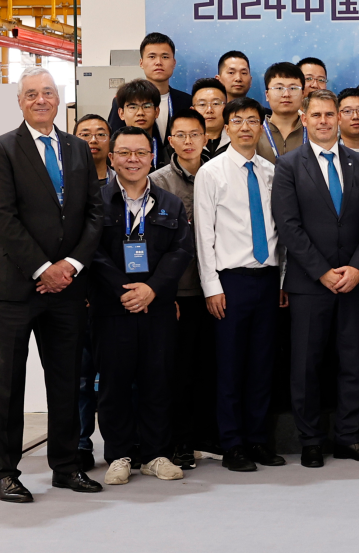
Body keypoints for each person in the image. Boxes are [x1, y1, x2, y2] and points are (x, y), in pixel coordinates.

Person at [0, 66, 105, 502]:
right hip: (19, 288)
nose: (41, 99)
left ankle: (66, 466)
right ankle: (3, 472)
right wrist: (43, 269)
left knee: (66, 379)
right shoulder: (3, 148)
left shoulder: (77, 147)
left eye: (48, 92)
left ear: (59, 100)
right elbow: (3, 218)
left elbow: (94, 213)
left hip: (69, 288)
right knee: (7, 382)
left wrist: (69, 265)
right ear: (20, 102)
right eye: (32, 93)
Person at [272, 89, 359, 468]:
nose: (323, 121)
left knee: (354, 362)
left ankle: (350, 438)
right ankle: (311, 441)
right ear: (304, 119)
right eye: (316, 115)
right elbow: (288, 226)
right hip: (309, 284)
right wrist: (321, 271)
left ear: (339, 118)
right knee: (306, 365)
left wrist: (358, 268)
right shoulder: (288, 165)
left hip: (354, 282)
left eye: (329, 114)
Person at [90, 126, 193, 485]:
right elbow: (91, 252)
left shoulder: (170, 203)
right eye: (124, 153)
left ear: (152, 157)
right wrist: (124, 290)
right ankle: (119, 454)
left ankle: (154, 454)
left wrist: (151, 289)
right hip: (112, 307)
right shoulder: (95, 202)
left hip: (157, 307)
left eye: (140, 153)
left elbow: (181, 251)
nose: (132, 160)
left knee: (157, 380)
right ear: (112, 157)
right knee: (114, 383)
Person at [194, 97, 287, 473]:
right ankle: (232, 444)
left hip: (268, 279)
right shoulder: (211, 172)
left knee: (262, 365)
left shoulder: (272, 171)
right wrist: (211, 286)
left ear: (261, 126)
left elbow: (280, 229)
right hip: (230, 282)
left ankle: (258, 439)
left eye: (252, 120)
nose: (245, 127)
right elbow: (204, 234)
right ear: (226, 127)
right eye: (238, 121)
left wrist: (282, 279)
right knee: (231, 366)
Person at [150, 109, 218, 469]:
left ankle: (206, 437)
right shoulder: (157, 182)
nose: (188, 141)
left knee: (209, 366)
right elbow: (152, 245)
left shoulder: (218, 172)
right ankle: (178, 443)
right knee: (177, 371)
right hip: (179, 293)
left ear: (206, 138)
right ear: (170, 140)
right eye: (181, 135)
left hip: (215, 289)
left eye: (195, 134)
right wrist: (164, 293)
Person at [72, 114, 113, 470]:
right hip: (80, 294)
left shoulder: (124, 181)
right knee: (82, 376)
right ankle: (81, 443)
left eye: (101, 133)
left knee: (119, 375)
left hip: (116, 293)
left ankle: (123, 444)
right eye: (85, 134)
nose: (93, 139)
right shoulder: (66, 183)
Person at [105, 32, 192, 145]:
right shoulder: (124, 100)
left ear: (174, 63)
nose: (158, 62)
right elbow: (114, 142)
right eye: (152, 57)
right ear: (141, 63)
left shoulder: (187, 101)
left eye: (165, 57)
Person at [255, 62, 307, 164]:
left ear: (303, 94)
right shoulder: (255, 131)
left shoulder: (314, 130)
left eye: (293, 88)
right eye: (279, 88)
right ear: (267, 95)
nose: (286, 94)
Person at [114, 79, 171, 168]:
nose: (140, 112)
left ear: (156, 112)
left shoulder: (169, 154)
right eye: (133, 107)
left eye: (147, 106)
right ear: (121, 113)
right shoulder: (112, 151)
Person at [191, 77, 231, 160]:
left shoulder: (238, 140)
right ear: (192, 110)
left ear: (227, 108)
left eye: (216, 104)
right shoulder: (180, 144)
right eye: (202, 104)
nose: (209, 110)